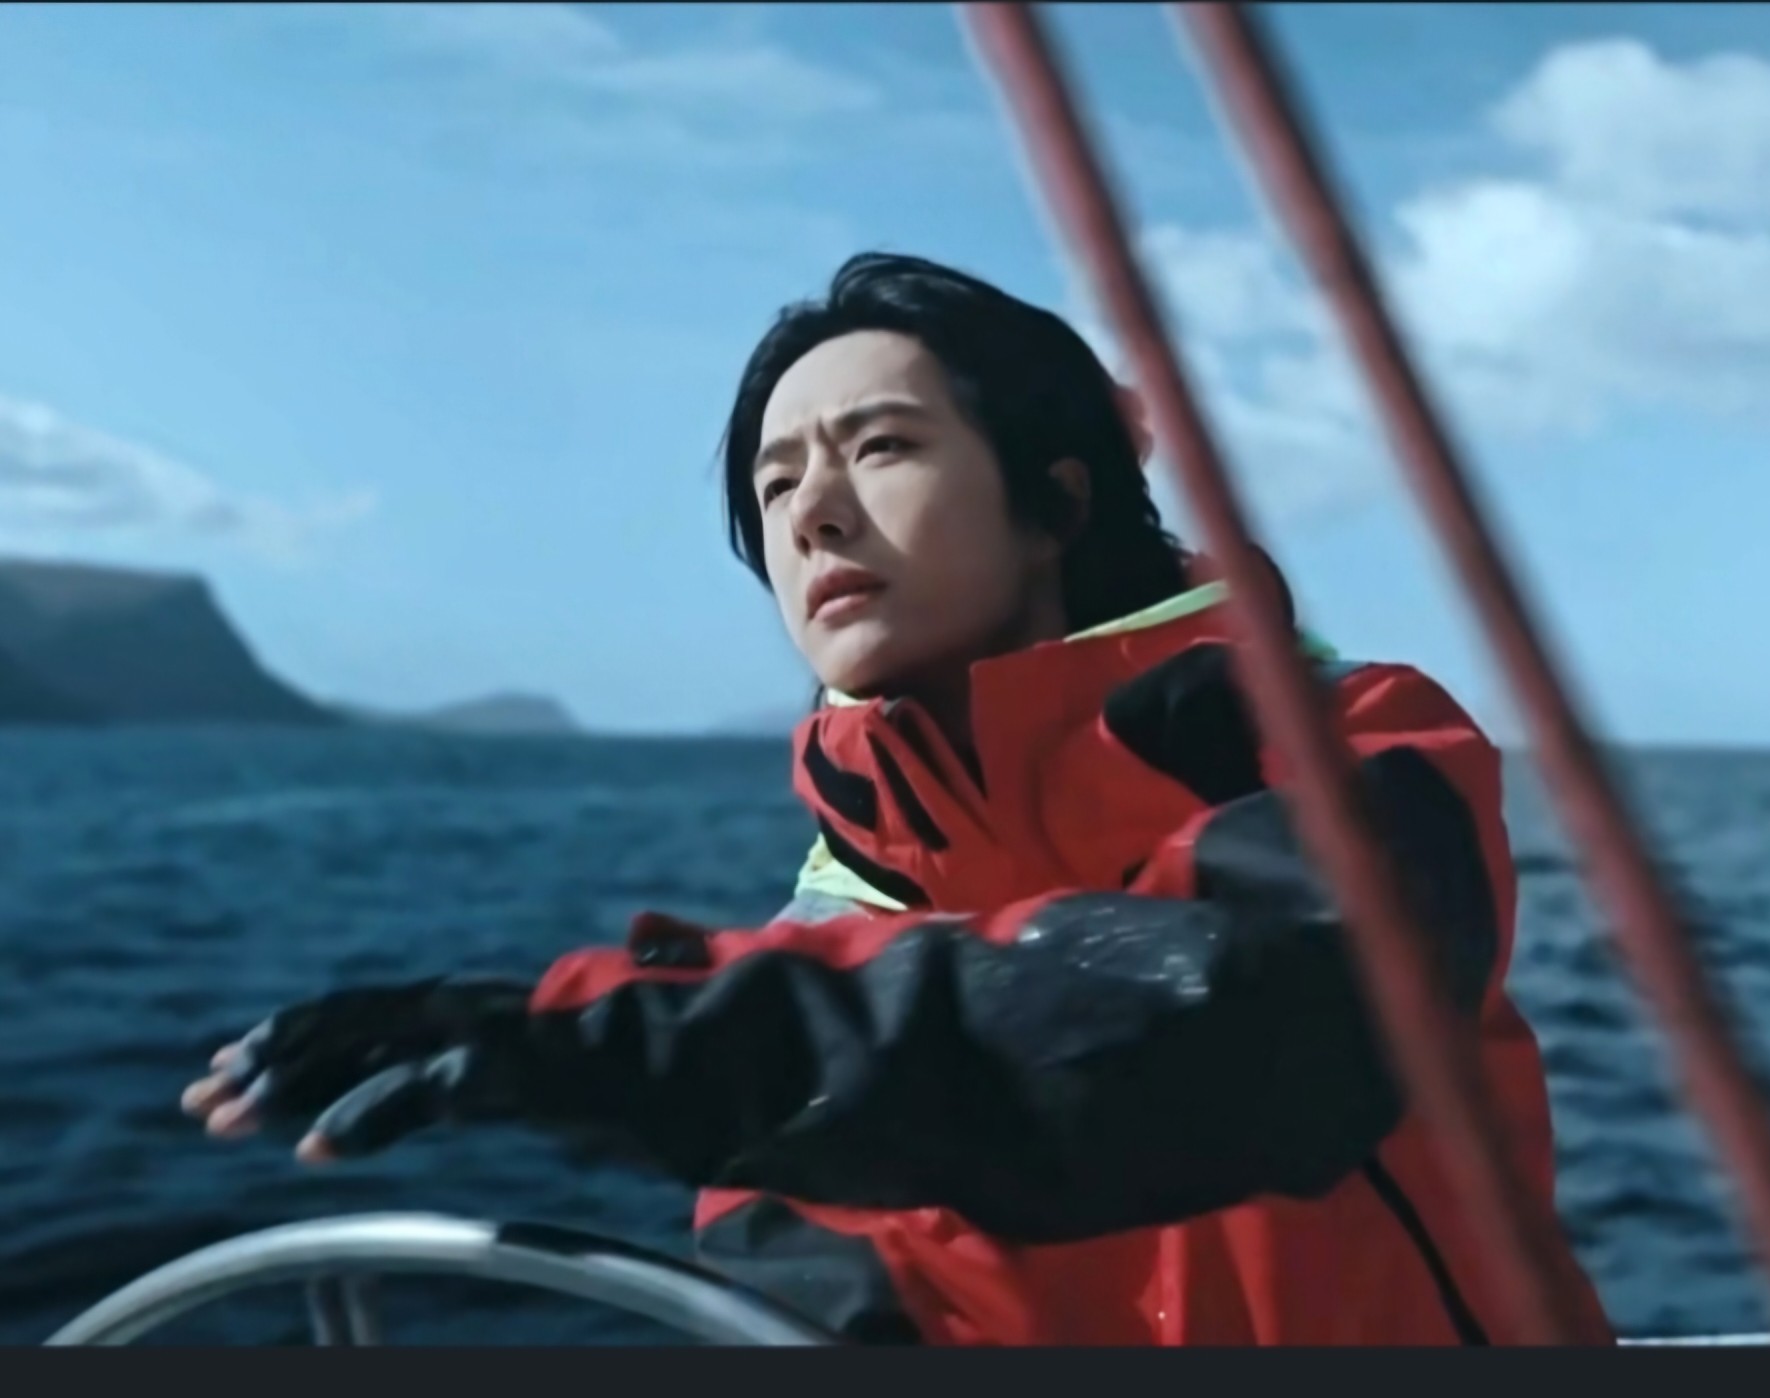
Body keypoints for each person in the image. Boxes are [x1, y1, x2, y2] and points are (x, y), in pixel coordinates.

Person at [180, 252, 1611, 1346]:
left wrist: (626, 1041)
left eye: (880, 447)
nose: (812, 513)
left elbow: (1253, 1021)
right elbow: (817, 1293)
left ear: (1056, 502)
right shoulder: (825, 933)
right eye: (775, 484)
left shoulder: (1365, 745)